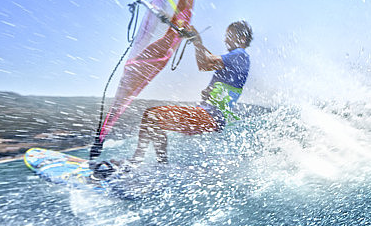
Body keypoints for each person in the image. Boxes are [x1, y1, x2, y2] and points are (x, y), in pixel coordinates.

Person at [92, 20, 251, 177]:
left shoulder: (240, 54)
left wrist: (197, 41)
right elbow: (225, 83)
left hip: (210, 117)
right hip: (208, 115)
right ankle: (159, 166)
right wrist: (209, 92)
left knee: (152, 116)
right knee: (152, 119)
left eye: (229, 35)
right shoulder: (237, 58)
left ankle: (141, 163)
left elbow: (205, 64)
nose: (225, 39)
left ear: (242, 38)